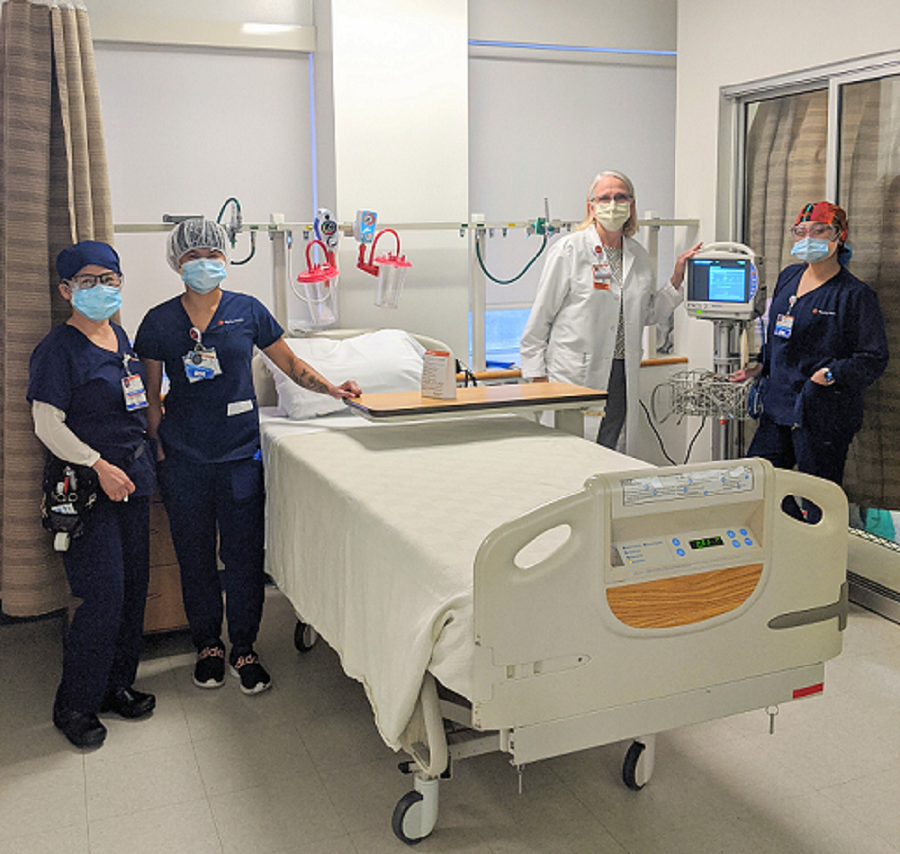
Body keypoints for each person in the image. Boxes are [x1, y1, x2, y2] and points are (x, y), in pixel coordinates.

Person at [135, 218, 361, 695]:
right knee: (194, 558)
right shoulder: (158, 321)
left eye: (212, 255)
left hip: (239, 455)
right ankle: (207, 646)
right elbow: (152, 397)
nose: (204, 264)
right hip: (183, 459)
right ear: (178, 264)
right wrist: (158, 450)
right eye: (193, 257)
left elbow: (292, 364)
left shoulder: (248, 312)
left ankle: (243, 647)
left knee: (241, 558)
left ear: (226, 258)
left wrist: (334, 390)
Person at [28, 241, 157, 749]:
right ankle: (75, 704)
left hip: (132, 481)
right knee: (101, 596)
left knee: (131, 590)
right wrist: (97, 465)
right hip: (85, 489)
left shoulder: (118, 336)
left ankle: (116, 686)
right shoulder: (57, 351)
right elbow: (46, 424)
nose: (102, 289)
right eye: (88, 281)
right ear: (66, 290)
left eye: (110, 279)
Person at [520, 170, 700, 449]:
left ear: (631, 205)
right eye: (604, 198)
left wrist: (677, 278)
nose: (612, 204)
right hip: (572, 373)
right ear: (591, 206)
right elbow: (540, 320)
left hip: (620, 373)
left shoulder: (639, 257)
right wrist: (538, 378)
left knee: (608, 447)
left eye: (620, 197)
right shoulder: (569, 250)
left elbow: (647, 314)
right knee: (569, 451)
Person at [731, 202, 888, 487]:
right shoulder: (789, 277)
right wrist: (760, 366)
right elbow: (779, 335)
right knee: (758, 483)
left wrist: (829, 376)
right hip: (777, 405)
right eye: (800, 232)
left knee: (818, 496)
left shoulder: (854, 295)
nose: (808, 239)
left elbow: (873, 358)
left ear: (839, 235)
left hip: (823, 412)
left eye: (820, 231)